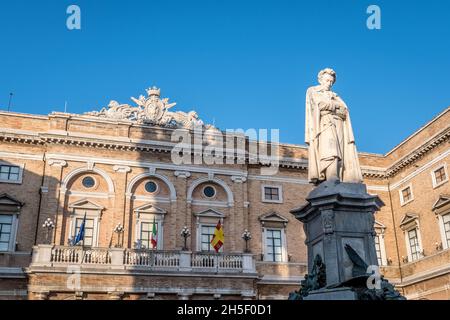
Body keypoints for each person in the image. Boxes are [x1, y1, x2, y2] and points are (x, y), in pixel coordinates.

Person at [305, 68, 363, 184]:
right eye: (327, 80)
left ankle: (339, 176)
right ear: (320, 80)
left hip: (339, 124)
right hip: (325, 123)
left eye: (331, 81)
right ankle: (331, 176)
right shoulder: (313, 90)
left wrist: (334, 106)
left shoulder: (335, 95)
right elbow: (319, 104)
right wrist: (335, 107)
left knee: (341, 152)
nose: (329, 84)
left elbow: (345, 110)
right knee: (330, 150)